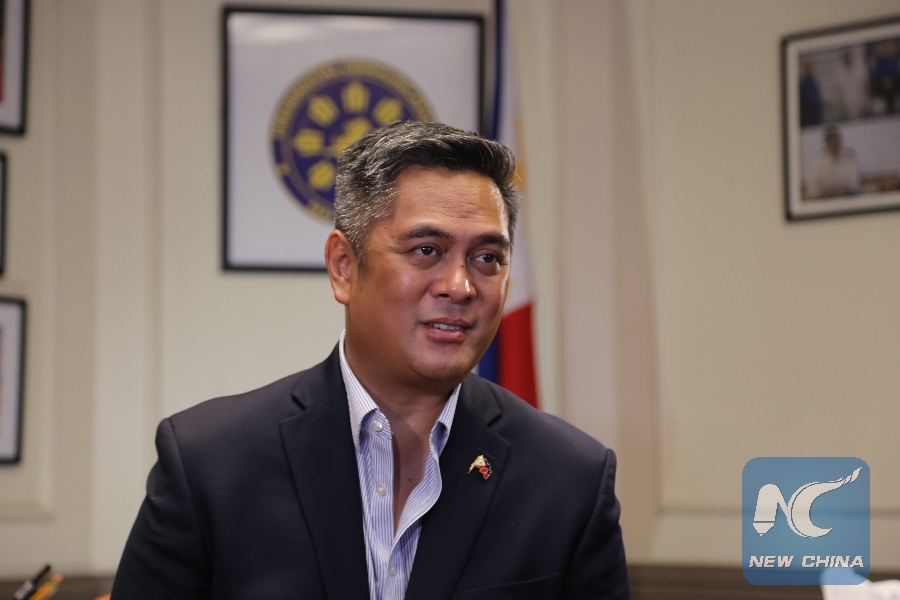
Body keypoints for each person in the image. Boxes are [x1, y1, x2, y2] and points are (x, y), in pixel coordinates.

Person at [110, 121, 630, 599]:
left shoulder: (571, 479)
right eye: (427, 250)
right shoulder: (209, 462)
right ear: (343, 267)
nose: (460, 286)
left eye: (487, 258)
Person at [805, 126, 859, 199]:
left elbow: (855, 184)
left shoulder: (848, 160)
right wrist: (824, 191)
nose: (835, 145)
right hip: (825, 201)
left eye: (837, 143)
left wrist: (845, 188)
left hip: (845, 199)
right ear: (826, 143)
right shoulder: (818, 163)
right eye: (832, 142)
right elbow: (811, 188)